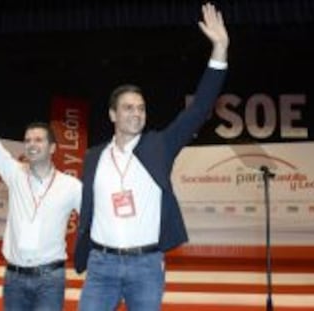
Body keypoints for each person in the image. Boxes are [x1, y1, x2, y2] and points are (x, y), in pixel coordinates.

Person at [74, 2, 229, 310]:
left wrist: (220, 49)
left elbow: (198, 110)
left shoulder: (159, 146)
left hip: (146, 267)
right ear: (112, 115)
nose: (137, 113)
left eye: (141, 108)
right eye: (129, 108)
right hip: (101, 265)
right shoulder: (93, 157)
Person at [0, 59, 82, 311]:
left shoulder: (72, 186)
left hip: (50, 280)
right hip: (14, 279)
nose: (31, 144)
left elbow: (97, 222)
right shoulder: (14, 173)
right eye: (28, 139)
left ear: (53, 148)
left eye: (38, 140)